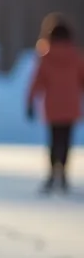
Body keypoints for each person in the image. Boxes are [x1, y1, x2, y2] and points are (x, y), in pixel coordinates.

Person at [26, 13, 83, 194]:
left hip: (53, 107)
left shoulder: (46, 57)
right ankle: (64, 174)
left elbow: (37, 82)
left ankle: (52, 175)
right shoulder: (77, 56)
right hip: (71, 106)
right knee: (66, 141)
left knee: (53, 140)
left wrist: (30, 102)